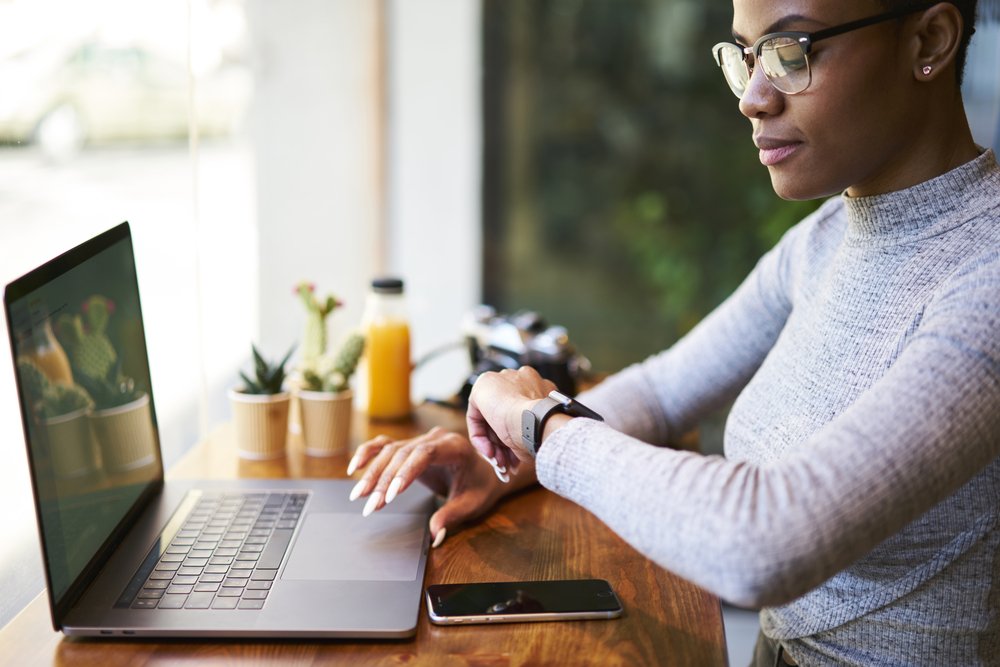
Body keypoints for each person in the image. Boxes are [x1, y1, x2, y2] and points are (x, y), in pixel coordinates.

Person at [347, 0, 1000, 663]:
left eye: (790, 52)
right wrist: (508, 461)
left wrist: (544, 426)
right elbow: (662, 391)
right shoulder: (826, 239)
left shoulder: (987, 279)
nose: (752, 98)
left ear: (930, 39)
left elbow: (766, 543)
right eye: (744, 56)